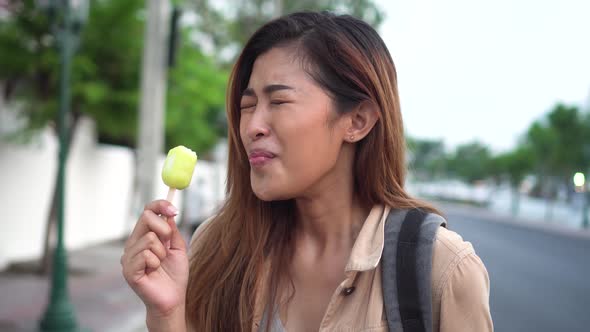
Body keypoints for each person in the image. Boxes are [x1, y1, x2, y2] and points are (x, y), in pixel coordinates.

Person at [121, 11, 493, 332]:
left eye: (279, 101)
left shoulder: (441, 269)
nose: (252, 127)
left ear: (358, 120)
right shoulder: (217, 245)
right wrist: (166, 312)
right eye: (248, 105)